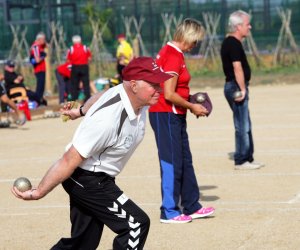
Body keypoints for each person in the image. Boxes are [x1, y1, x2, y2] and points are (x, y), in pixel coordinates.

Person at [11, 57, 173, 249]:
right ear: (134, 85)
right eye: (153, 84)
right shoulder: (107, 122)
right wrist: (39, 191)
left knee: (83, 243)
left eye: (159, 83)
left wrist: (81, 110)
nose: (160, 88)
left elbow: (102, 95)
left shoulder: (136, 97)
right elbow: (68, 160)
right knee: (136, 224)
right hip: (87, 179)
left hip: (97, 176)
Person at [148, 18, 215, 224]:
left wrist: (190, 100)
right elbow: (168, 93)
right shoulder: (173, 56)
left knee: (185, 159)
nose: (196, 45)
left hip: (175, 113)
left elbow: (176, 90)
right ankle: (168, 210)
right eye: (195, 41)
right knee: (171, 162)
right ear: (188, 37)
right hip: (165, 113)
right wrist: (192, 105)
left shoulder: (174, 54)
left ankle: (191, 205)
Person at [220, 10, 264, 170]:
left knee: (245, 122)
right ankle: (241, 159)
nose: (250, 27)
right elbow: (237, 67)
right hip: (235, 86)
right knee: (242, 124)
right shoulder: (232, 42)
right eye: (247, 24)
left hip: (235, 85)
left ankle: (248, 157)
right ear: (238, 26)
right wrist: (243, 89)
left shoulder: (233, 42)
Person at [67, 35, 92, 102]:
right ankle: (87, 98)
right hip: (84, 66)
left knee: (74, 84)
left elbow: (69, 59)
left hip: (75, 67)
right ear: (80, 41)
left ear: (73, 42)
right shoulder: (85, 47)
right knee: (86, 83)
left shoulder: (71, 48)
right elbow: (89, 58)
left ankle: (74, 99)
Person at [30, 32, 47, 104]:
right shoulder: (36, 46)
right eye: (43, 39)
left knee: (42, 86)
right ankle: (37, 101)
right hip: (39, 69)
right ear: (39, 39)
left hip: (42, 69)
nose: (44, 41)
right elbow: (37, 60)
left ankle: (39, 100)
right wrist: (43, 56)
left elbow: (47, 46)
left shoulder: (40, 46)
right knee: (40, 86)